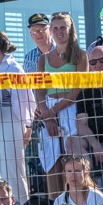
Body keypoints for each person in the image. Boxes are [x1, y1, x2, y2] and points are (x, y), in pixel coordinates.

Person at [34, 12, 86, 195]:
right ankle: (54, 204)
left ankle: (77, 200)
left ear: (70, 29)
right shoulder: (44, 58)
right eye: (55, 28)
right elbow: (39, 89)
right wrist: (47, 116)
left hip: (70, 109)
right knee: (52, 161)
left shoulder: (81, 55)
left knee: (71, 159)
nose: (59, 31)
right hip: (49, 109)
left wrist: (53, 111)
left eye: (63, 27)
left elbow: (76, 91)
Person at [0, 29, 32, 200]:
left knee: (13, 167)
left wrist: (28, 127)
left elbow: (25, 99)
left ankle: (21, 204)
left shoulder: (14, 68)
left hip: (10, 118)